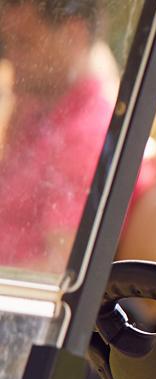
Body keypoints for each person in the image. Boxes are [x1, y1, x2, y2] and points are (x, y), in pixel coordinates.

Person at [0, 0, 117, 276]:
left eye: (24, 43)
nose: (11, 58)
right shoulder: (40, 109)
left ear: (73, 35)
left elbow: (59, 273)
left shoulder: (85, 135)